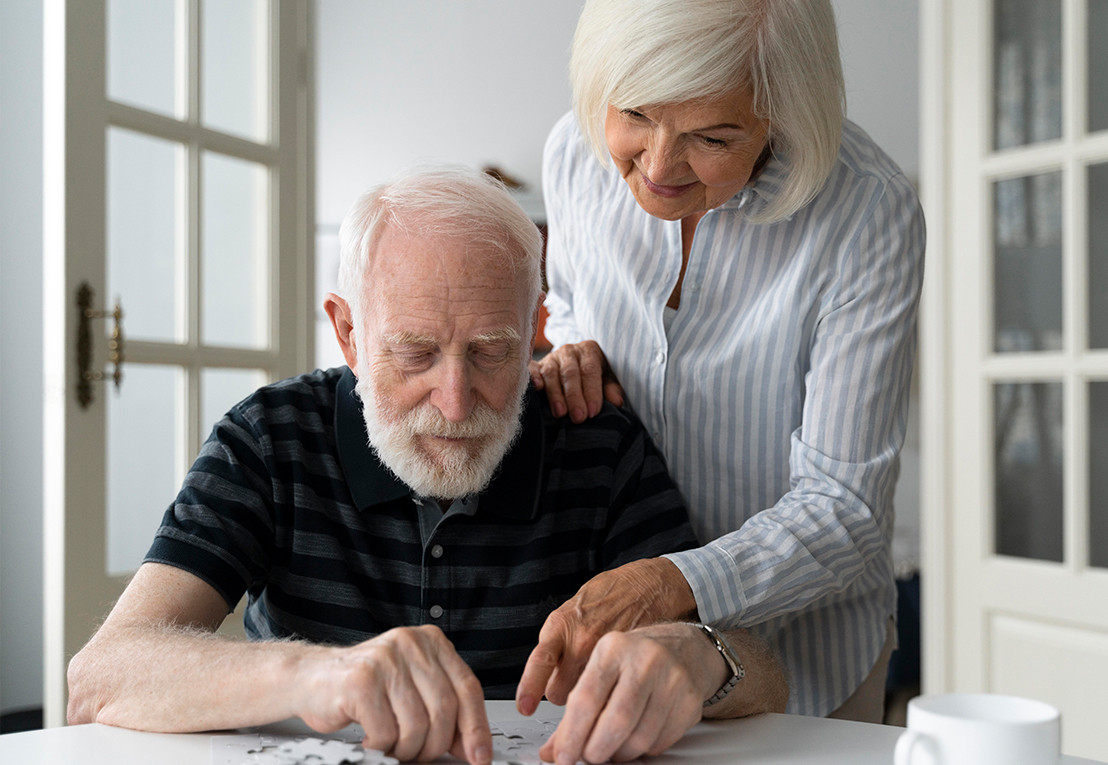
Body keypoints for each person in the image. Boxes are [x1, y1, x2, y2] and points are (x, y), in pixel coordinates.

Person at [66, 166, 788, 765]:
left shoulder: (600, 447)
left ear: (538, 322)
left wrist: (701, 658)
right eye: (414, 353)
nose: (453, 402)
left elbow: (764, 670)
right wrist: (319, 671)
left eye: (491, 351)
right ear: (348, 332)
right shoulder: (269, 437)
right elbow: (102, 675)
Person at [520, 0, 926, 740]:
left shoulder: (869, 212)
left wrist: (672, 582)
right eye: (635, 114)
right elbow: (572, 301)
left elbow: (846, 507)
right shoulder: (571, 156)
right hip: (622, 648)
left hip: (811, 654)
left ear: (783, 113)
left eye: (711, 136)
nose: (659, 165)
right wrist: (573, 348)